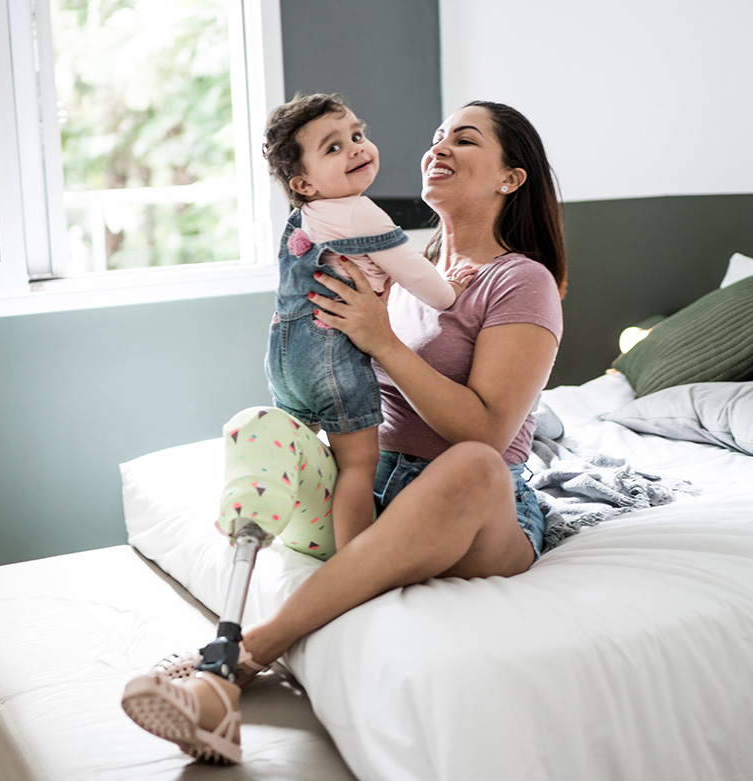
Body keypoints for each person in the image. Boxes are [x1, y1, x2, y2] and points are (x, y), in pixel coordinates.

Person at [121, 100, 567, 765]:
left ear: (511, 178)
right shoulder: (399, 264)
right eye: (437, 134)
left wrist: (382, 339)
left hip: (474, 501)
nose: (438, 146)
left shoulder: (521, 281)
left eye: (464, 140)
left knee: (473, 463)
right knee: (258, 425)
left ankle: (234, 663)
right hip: (376, 482)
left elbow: (487, 428)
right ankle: (250, 581)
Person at [254, 93, 473, 556]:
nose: (356, 147)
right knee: (356, 464)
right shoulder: (360, 211)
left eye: (358, 134)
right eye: (333, 148)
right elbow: (419, 277)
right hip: (331, 356)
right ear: (305, 183)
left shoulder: (304, 218)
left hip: (284, 355)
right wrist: (451, 288)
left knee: (301, 449)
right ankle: (354, 562)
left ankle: (274, 521)